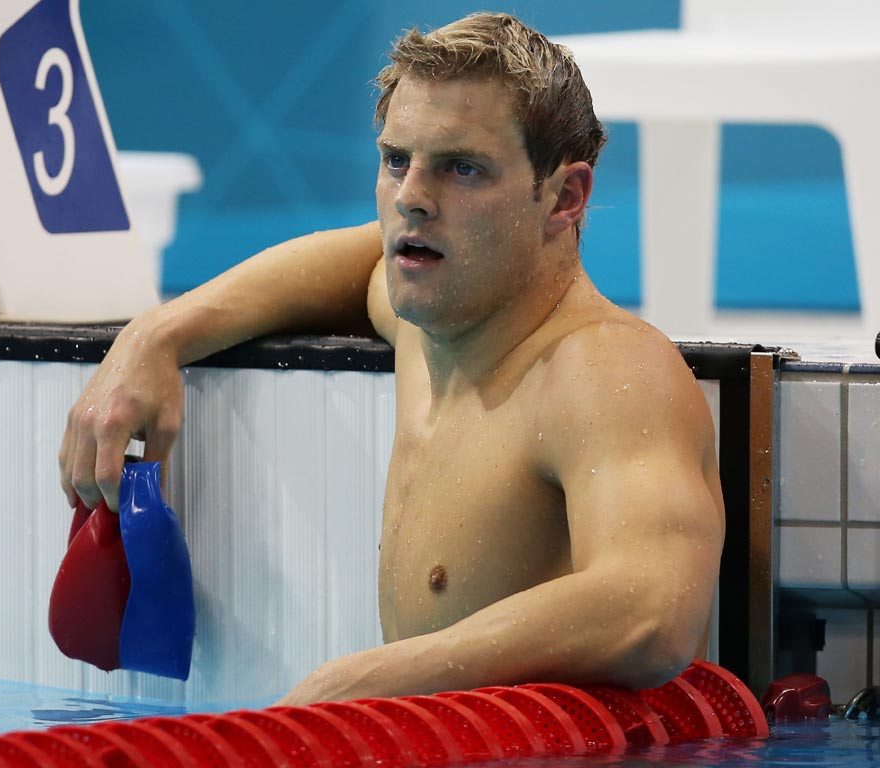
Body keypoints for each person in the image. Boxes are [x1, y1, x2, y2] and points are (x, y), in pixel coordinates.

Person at [59, 12, 724, 704]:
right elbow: (344, 263)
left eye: (462, 169)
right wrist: (152, 337)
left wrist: (366, 681)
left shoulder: (602, 371)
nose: (411, 197)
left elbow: (653, 610)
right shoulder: (433, 321)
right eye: (396, 159)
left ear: (564, 196)